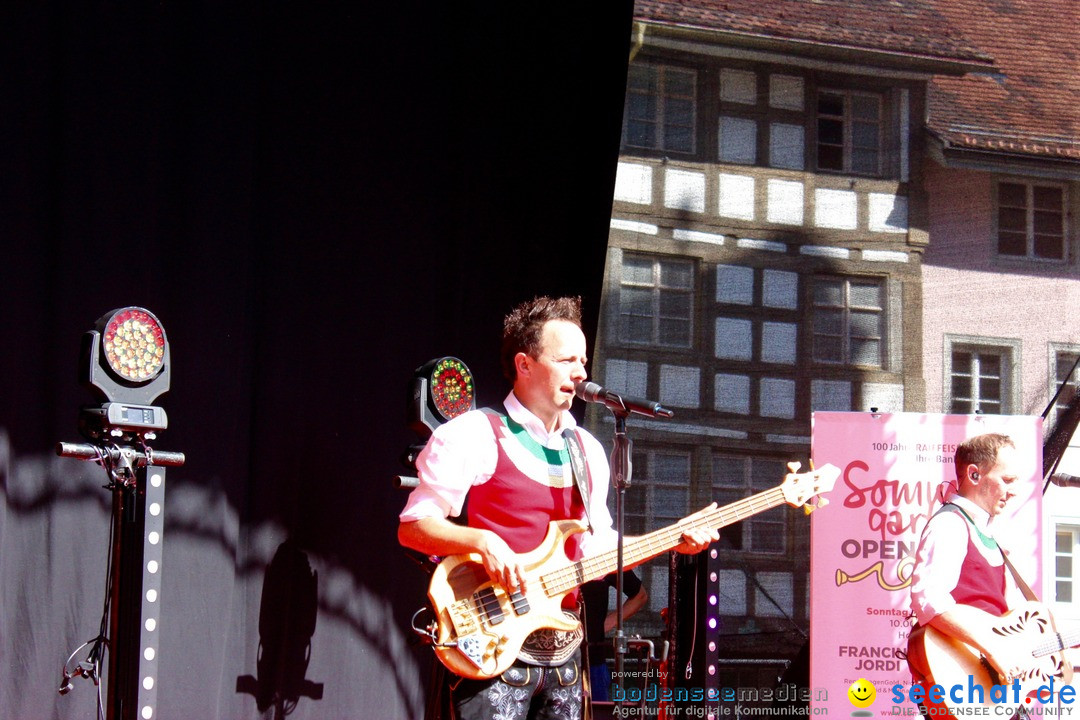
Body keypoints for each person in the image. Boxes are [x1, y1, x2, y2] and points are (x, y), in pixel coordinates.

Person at [398, 295, 717, 720]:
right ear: (524, 364)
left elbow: (597, 550)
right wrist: (482, 541)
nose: (581, 373)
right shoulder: (474, 433)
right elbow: (413, 526)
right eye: (567, 360)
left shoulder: (587, 449)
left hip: (564, 656)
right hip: (492, 645)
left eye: (583, 361)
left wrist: (675, 540)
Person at [908, 433, 1026, 708]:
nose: (1013, 491)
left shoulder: (988, 531)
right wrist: (992, 649)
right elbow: (929, 600)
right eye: (1007, 480)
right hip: (962, 677)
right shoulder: (950, 524)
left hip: (988, 682)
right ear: (974, 474)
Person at [581, 570, 648, 703]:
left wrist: (607, 623)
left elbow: (640, 596)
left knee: (595, 711)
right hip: (545, 658)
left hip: (592, 661)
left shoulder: (601, 558)